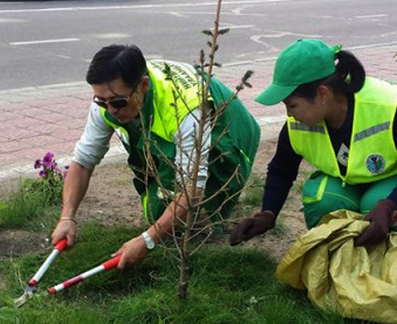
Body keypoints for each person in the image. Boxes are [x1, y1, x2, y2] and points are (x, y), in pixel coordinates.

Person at [229, 38, 397, 295]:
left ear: (323, 94)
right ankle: (351, 258)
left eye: (291, 105)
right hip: (354, 180)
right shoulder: (298, 125)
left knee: (374, 204)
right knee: (322, 199)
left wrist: (390, 204)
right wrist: (268, 214)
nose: (289, 114)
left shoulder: (386, 107)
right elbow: (282, 168)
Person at [51, 44, 261, 269]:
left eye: (117, 102)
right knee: (159, 210)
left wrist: (148, 240)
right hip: (170, 130)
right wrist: (67, 217)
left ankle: (204, 221)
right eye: (101, 101)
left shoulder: (186, 107)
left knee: (191, 213)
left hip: (229, 132)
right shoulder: (107, 102)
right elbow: (83, 162)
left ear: (143, 86)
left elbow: (192, 188)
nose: (109, 109)